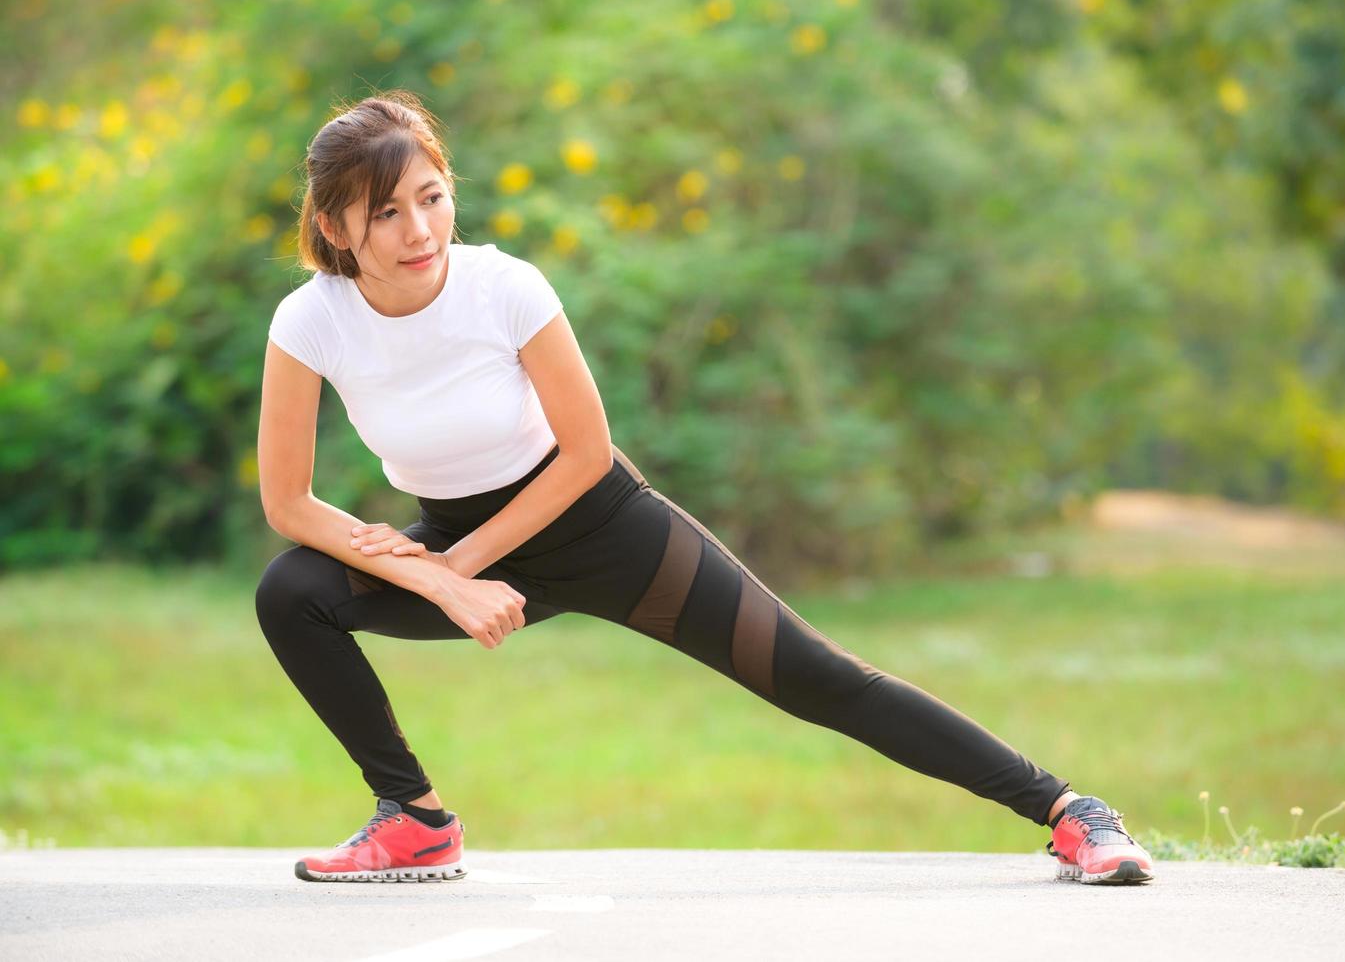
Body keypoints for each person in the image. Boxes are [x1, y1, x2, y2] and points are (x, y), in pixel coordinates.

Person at [254, 90, 1155, 886]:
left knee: (816, 677)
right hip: (454, 545)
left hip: (598, 522)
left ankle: (1071, 812)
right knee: (292, 590)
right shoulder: (311, 323)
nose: (418, 231)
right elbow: (290, 505)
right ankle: (412, 819)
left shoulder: (504, 289)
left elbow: (585, 452)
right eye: (384, 214)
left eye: (431, 198)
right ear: (334, 228)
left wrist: (459, 569)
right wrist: (434, 572)